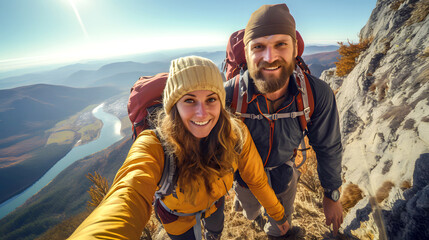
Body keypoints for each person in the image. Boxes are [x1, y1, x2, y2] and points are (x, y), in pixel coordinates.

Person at [68, 56, 289, 240]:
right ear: (174, 106)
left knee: (215, 233)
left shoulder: (235, 133)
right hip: (177, 218)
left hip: (215, 204)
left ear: (221, 102)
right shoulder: (154, 145)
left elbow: (256, 178)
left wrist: (278, 215)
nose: (202, 113)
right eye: (190, 100)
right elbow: (126, 196)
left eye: (211, 99)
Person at [225, 4, 344, 239]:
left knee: (282, 225)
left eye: (281, 44)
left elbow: (328, 147)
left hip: (284, 174)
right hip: (246, 179)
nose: (270, 57)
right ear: (247, 53)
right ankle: (254, 214)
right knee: (251, 212)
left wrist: (332, 195)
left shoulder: (316, 94)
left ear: (295, 49)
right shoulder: (227, 96)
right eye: (258, 47)